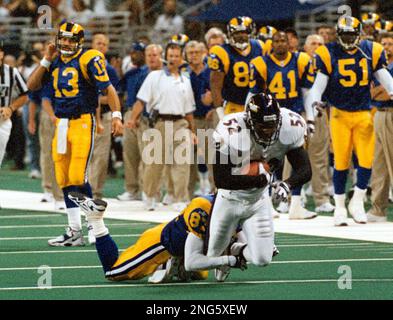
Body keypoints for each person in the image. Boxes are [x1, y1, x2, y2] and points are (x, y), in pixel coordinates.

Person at [27, 22, 123, 246]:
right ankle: (74, 230)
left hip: (82, 121)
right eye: (63, 39)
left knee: (79, 176)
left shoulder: (90, 58)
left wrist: (117, 115)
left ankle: (94, 225)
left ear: (79, 41)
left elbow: (108, 89)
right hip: (61, 123)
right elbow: (32, 85)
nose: (66, 43)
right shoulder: (55, 60)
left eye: (70, 39)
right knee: (63, 177)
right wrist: (46, 59)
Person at [208, 93, 311, 278]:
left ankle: (235, 250)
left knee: (263, 259)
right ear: (250, 121)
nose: (268, 131)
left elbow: (305, 169)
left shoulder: (290, 125)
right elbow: (221, 179)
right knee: (211, 256)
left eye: (272, 126)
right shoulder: (231, 129)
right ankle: (216, 256)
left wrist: (287, 185)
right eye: (263, 127)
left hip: (258, 201)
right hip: (229, 198)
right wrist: (262, 180)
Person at [307, 16, 393, 226]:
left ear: (359, 33)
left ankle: (356, 200)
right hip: (339, 114)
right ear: (339, 34)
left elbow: (384, 77)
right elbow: (318, 84)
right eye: (344, 35)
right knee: (341, 161)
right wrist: (316, 102)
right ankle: (339, 206)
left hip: (364, 113)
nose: (348, 39)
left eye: (351, 34)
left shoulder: (370, 50)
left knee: (365, 161)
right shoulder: (328, 53)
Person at [67, 192, 247, 282]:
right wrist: (229, 259)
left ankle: (170, 262)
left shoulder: (231, 210)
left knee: (199, 275)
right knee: (113, 272)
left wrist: (245, 250)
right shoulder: (201, 209)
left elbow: (236, 245)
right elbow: (198, 260)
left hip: (183, 244)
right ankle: (95, 217)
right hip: (159, 244)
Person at [250, 31, 318, 219]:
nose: (280, 44)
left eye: (283, 40)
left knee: (300, 161)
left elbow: (307, 92)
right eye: (277, 41)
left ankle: (296, 204)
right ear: (272, 44)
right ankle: (267, 204)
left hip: (294, 118)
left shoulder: (301, 60)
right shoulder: (261, 63)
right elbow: (253, 95)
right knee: (269, 163)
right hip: (270, 120)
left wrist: (310, 118)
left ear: (290, 43)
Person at [129, 40, 196, 211]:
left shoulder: (185, 80)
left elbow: (189, 110)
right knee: (155, 163)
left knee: (182, 162)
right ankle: (150, 194)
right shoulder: (155, 76)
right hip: (161, 122)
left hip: (181, 123)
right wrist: (132, 118)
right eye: (170, 55)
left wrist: (193, 130)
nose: (173, 59)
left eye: (176, 56)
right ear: (165, 57)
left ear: (182, 59)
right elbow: (141, 100)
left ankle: (180, 197)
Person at [302, 34, 334, 214]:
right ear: (305, 47)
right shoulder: (299, 61)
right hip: (299, 112)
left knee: (320, 157)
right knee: (291, 157)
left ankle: (321, 198)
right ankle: (290, 197)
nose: (316, 46)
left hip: (320, 112)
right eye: (313, 43)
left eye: (320, 44)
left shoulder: (329, 63)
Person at [208, 16, 264, 117]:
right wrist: (219, 110)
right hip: (233, 104)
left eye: (243, 32)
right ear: (230, 34)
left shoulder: (260, 47)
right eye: (236, 33)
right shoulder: (221, 52)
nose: (240, 36)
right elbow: (215, 85)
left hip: (257, 103)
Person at [89, 33, 120, 202]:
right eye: (98, 43)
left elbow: (113, 96)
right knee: (84, 154)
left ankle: (95, 192)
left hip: (105, 114)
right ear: (92, 45)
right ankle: (82, 188)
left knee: (101, 156)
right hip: (85, 115)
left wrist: (94, 98)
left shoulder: (110, 70)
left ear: (107, 48)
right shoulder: (84, 65)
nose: (100, 46)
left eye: (103, 44)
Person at [117, 42, 148, 201]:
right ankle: (131, 189)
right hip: (129, 112)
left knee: (145, 154)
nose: (133, 55)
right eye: (132, 52)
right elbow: (119, 89)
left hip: (145, 114)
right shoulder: (130, 73)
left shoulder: (150, 72)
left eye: (136, 52)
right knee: (129, 153)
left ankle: (145, 189)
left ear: (144, 54)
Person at [367, 32, 393, 222]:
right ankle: (378, 208)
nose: (386, 47)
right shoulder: (377, 66)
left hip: (391, 114)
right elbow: (373, 94)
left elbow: (383, 93)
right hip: (379, 114)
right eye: (383, 43)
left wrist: (381, 91)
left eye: (390, 44)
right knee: (379, 163)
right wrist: (382, 91)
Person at [185, 41, 213, 198]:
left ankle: (214, 191)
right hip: (188, 120)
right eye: (190, 52)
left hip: (206, 118)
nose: (194, 55)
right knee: (186, 159)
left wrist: (215, 107)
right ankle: (185, 194)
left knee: (211, 158)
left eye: (197, 52)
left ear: (204, 53)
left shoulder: (210, 72)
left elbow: (218, 92)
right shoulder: (183, 74)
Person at [0, 41, 29, 168]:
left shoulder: (12, 72)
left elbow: (25, 95)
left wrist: (11, 108)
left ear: (1, 54)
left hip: (2, 121)